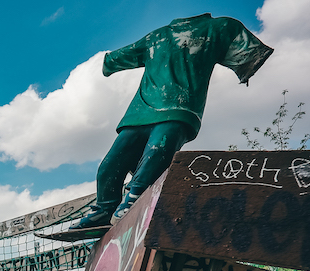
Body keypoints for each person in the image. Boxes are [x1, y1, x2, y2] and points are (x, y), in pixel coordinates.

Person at [71, 14, 273, 231]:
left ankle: (135, 195)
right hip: (139, 113)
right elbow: (111, 62)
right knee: (109, 165)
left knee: (158, 150)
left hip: (180, 110)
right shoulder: (156, 37)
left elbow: (251, 54)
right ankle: (104, 207)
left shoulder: (218, 28)